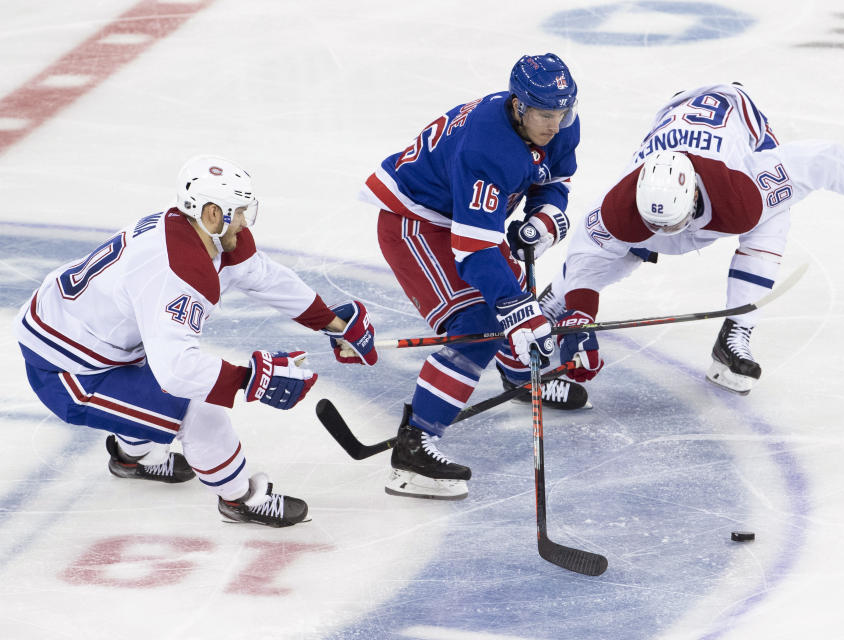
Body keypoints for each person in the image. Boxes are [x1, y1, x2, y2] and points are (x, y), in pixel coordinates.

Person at [14, 155, 378, 527]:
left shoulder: (194, 232)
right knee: (197, 405)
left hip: (88, 339)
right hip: (68, 371)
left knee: (161, 381)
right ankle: (242, 499)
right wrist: (251, 378)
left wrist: (332, 323)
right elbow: (177, 373)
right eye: (237, 211)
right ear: (209, 213)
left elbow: (263, 276)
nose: (244, 221)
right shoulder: (176, 270)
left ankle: (133, 456)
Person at [540, 82, 844, 395]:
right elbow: (587, 256)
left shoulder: (744, 191)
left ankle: (737, 331)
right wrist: (578, 313)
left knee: (772, 219)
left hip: (736, 118)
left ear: (695, 195)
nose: (667, 236)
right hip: (673, 122)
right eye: (655, 226)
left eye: (673, 224)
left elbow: (821, 161)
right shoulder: (618, 204)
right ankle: (548, 306)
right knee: (620, 248)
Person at [360, 53, 587, 500]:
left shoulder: (558, 122)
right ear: (519, 106)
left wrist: (543, 216)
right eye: (545, 114)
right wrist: (515, 312)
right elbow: (474, 249)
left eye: (563, 113)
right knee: (482, 323)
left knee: (514, 310)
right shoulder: (487, 145)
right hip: (418, 221)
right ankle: (413, 448)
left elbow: (552, 178)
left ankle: (521, 378)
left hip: (469, 219)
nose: (555, 125)